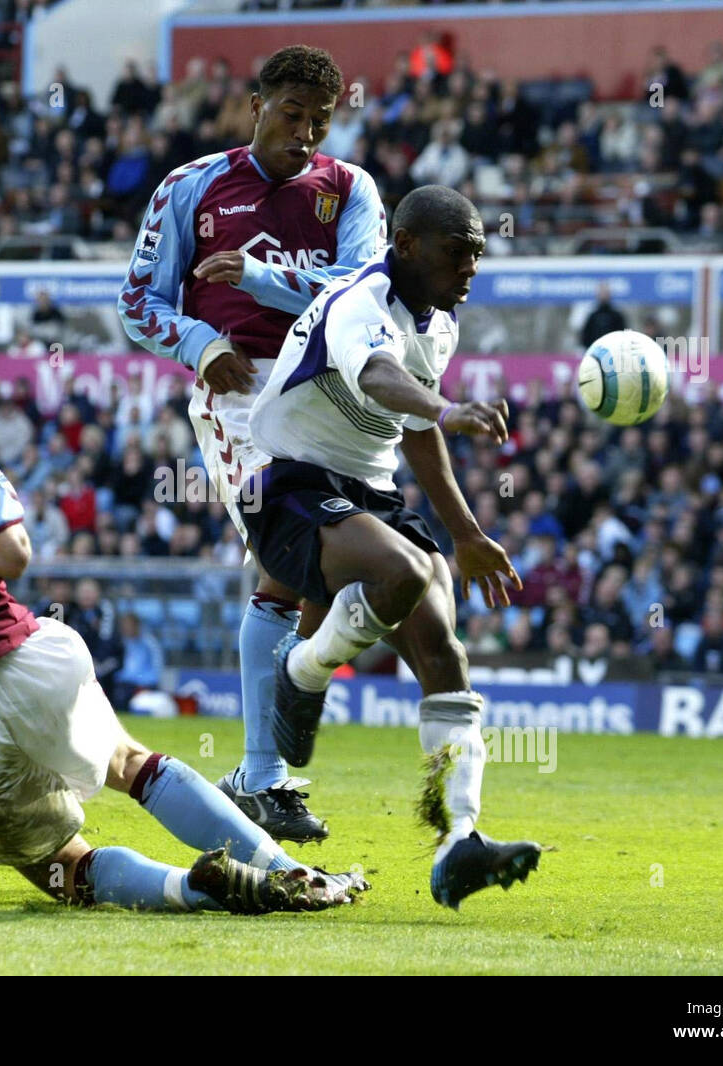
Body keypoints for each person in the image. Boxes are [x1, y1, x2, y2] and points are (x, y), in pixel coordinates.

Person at [0, 323, 365, 914]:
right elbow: (11, 555)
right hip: (18, 663)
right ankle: (288, 872)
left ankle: (195, 889)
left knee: (62, 866)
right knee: (131, 765)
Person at [243, 185, 541, 910]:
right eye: (456, 253)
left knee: (445, 646)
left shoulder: (438, 325)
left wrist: (468, 534)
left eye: (477, 253)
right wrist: (445, 404)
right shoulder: (359, 302)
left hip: (367, 493)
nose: (470, 268)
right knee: (406, 570)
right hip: (288, 483)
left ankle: (459, 840)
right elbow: (379, 376)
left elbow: (414, 431)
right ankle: (303, 673)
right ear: (406, 245)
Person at [118, 45, 387, 842]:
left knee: (322, 579)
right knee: (289, 558)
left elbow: (362, 291)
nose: (304, 134)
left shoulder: (351, 190)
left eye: (319, 121)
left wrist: (265, 280)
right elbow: (137, 300)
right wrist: (201, 343)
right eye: (291, 114)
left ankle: (256, 774)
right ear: (255, 106)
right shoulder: (191, 186)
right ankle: (265, 777)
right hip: (238, 394)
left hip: (329, 393)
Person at [579, 282, 626, 350]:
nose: (603, 295)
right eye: (601, 293)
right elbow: (585, 337)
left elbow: (623, 335)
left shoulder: (617, 316)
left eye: (605, 293)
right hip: (595, 352)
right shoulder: (593, 316)